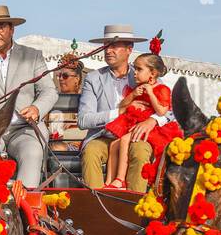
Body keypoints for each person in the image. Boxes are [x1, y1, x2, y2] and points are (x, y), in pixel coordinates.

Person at [0, 4, 57, 187]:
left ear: (11, 29)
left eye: (1, 27)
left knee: (32, 152)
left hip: (24, 130)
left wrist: (36, 108)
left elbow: (49, 90)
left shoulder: (32, 56)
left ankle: (26, 207)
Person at [77, 24, 176, 190]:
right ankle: (95, 205)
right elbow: (83, 120)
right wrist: (119, 112)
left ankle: (133, 209)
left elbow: (169, 110)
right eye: (106, 46)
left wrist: (152, 120)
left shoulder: (144, 72)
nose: (108, 51)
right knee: (91, 151)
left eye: (114, 46)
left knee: (140, 150)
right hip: (104, 136)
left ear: (129, 49)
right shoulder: (94, 79)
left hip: (135, 136)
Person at [99, 52, 181, 190]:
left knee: (125, 140)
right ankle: (109, 181)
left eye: (139, 69)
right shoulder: (137, 89)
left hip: (155, 130)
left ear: (152, 73)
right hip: (136, 124)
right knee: (114, 145)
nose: (135, 73)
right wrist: (133, 96)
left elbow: (162, 111)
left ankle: (120, 180)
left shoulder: (162, 89)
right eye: (135, 68)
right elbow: (122, 106)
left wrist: (151, 93)